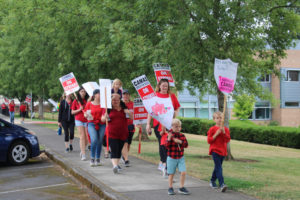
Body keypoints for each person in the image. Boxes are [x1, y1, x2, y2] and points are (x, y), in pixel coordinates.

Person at [146, 79, 181, 177]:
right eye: (163, 86)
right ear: (159, 86)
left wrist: (175, 115)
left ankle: (164, 163)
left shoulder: (171, 96)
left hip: (170, 124)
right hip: (158, 125)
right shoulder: (155, 96)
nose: (165, 88)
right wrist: (148, 124)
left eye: (166, 86)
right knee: (162, 143)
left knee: (168, 144)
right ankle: (165, 165)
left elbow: (177, 107)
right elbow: (150, 111)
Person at [102, 93, 133, 174]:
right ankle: (115, 166)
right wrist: (105, 116)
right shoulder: (108, 109)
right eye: (113, 100)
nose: (115, 101)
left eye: (117, 100)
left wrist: (128, 112)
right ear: (110, 101)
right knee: (114, 150)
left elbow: (132, 118)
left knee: (119, 150)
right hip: (112, 133)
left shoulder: (124, 108)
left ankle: (116, 165)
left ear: (120, 100)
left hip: (123, 133)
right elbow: (102, 119)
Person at [207, 111, 231, 192]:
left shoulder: (226, 129)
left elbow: (227, 140)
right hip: (215, 151)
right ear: (214, 119)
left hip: (223, 151)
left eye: (221, 118)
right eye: (217, 118)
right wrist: (216, 134)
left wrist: (224, 132)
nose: (219, 119)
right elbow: (209, 140)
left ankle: (212, 181)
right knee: (219, 167)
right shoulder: (212, 129)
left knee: (217, 167)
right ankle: (222, 184)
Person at [166, 119, 189, 195]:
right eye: (176, 127)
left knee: (183, 172)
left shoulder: (182, 135)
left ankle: (181, 187)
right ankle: (170, 187)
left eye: (179, 127)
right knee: (171, 173)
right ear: (172, 127)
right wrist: (169, 139)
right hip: (171, 157)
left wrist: (180, 142)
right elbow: (166, 146)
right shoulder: (170, 135)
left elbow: (186, 145)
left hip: (180, 157)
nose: (178, 128)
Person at [84, 89, 106, 167]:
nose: (101, 95)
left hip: (102, 124)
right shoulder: (89, 104)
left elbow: (104, 115)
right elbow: (85, 113)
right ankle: (92, 158)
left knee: (100, 141)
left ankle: (98, 158)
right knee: (94, 140)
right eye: (99, 94)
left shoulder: (104, 105)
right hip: (91, 124)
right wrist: (86, 115)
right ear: (95, 95)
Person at [71, 87, 89, 161]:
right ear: (79, 92)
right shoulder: (75, 101)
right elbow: (72, 112)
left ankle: (82, 150)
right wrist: (79, 109)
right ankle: (83, 154)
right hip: (79, 120)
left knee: (87, 138)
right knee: (82, 136)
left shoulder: (87, 100)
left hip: (87, 120)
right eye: (82, 91)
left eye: (84, 91)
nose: (83, 93)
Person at [121, 89, 134, 167]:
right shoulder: (120, 104)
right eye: (124, 94)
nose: (125, 96)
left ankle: (124, 156)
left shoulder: (133, 104)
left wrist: (138, 123)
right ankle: (126, 159)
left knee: (128, 144)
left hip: (131, 126)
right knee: (125, 143)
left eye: (127, 94)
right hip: (122, 126)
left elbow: (137, 114)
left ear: (129, 96)